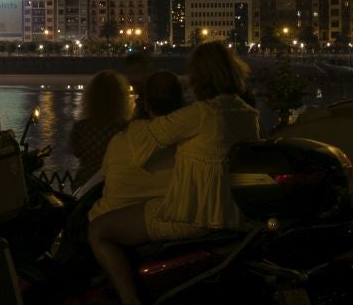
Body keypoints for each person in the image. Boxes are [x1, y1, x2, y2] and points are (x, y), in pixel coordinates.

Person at [88, 41, 261, 305]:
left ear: (200, 76)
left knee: (99, 230)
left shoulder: (203, 113)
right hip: (231, 211)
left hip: (192, 214)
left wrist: (133, 120)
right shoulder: (248, 113)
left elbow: (148, 136)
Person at [88, 71, 185, 220]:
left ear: (146, 104)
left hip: (111, 219)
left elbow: (105, 177)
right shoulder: (191, 144)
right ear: (182, 103)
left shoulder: (120, 141)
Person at [69, 71, 132, 185]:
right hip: (115, 183)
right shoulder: (126, 128)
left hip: (86, 183)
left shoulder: (80, 127)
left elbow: (76, 152)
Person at [122, 52, 155, 117]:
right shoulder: (142, 101)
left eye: (136, 72)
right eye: (128, 73)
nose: (131, 78)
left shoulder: (153, 104)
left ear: (148, 72)